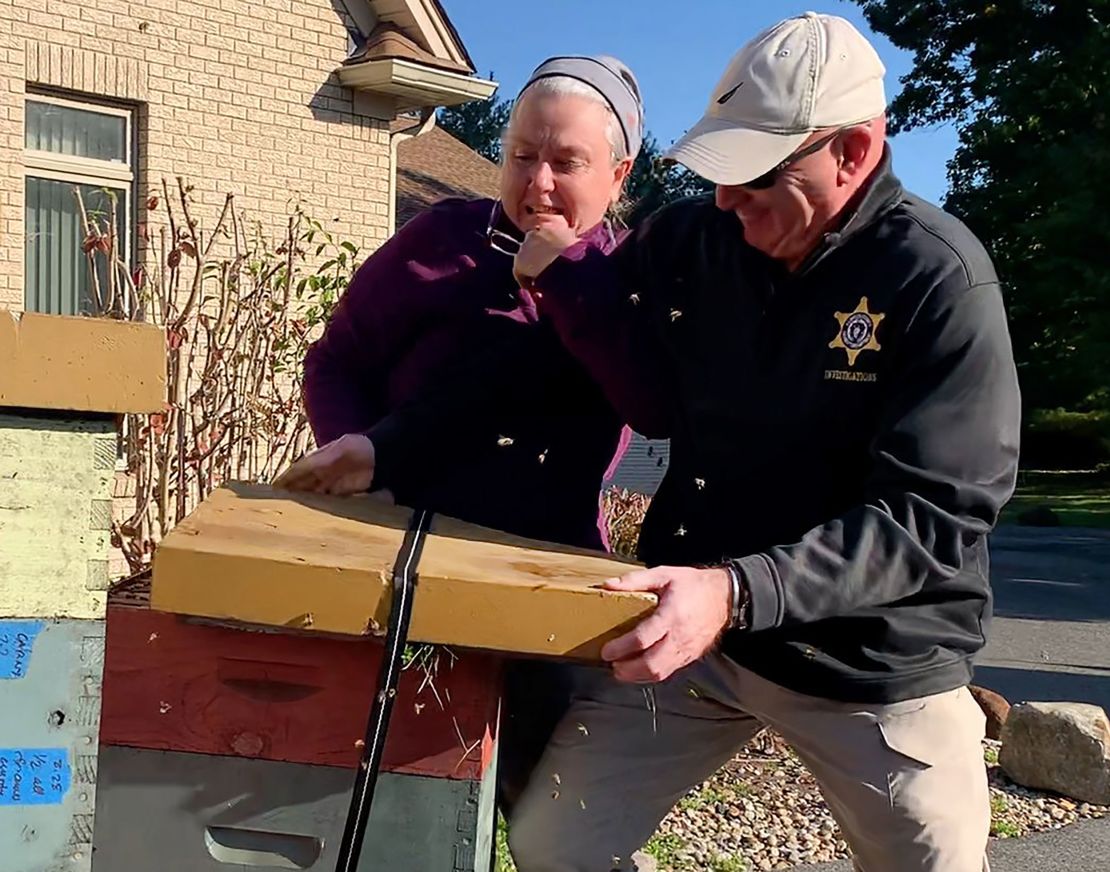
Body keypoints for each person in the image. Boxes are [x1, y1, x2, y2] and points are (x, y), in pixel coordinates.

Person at [496, 13, 1021, 872]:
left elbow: (934, 517)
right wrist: (385, 442)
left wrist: (736, 592)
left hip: (874, 664)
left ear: (852, 152)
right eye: (718, 172)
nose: (726, 199)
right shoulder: (694, 241)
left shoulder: (937, 281)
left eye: (755, 174)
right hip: (704, 644)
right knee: (554, 843)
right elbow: (559, 330)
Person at [274, 54, 653, 825]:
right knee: (394, 788)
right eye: (521, 156)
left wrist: (565, 277)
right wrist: (357, 456)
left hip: (551, 571)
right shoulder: (439, 241)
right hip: (402, 547)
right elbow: (337, 358)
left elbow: (642, 396)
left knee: (549, 807)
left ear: (618, 175)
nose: (537, 184)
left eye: (566, 163)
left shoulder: (632, 281)